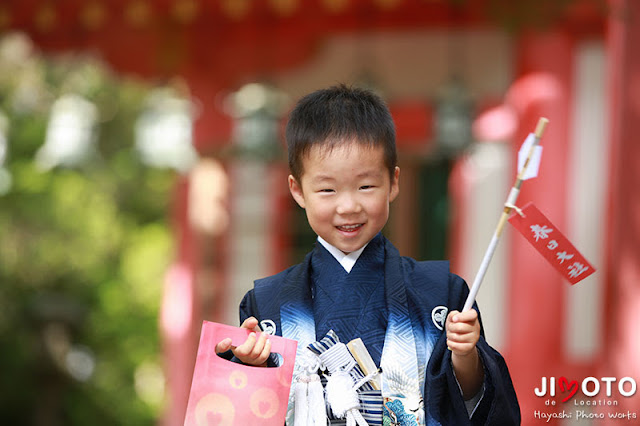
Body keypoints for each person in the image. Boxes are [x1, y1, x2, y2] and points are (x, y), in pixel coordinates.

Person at [216, 84, 520, 425]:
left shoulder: (441, 292)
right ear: (298, 190)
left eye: (365, 186)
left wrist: (465, 355)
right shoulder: (266, 302)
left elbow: (474, 402)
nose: (348, 206)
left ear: (393, 182)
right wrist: (252, 368)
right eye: (327, 189)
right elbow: (241, 410)